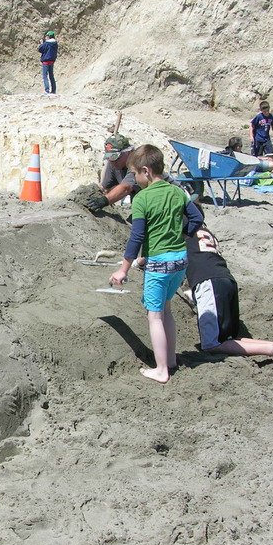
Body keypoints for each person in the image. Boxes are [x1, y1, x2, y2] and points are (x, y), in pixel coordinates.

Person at [109, 145, 189, 383]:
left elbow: (136, 237)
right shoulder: (177, 192)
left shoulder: (142, 197)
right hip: (181, 259)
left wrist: (123, 269)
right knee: (166, 310)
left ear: (145, 171)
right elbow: (196, 218)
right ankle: (171, 359)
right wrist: (182, 236)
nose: (134, 180)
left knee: (154, 316)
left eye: (135, 174)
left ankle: (161, 369)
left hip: (159, 264)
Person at [185, 219, 273, 363]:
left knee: (211, 344)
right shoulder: (203, 231)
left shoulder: (183, 232)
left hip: (209, 283)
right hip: (226, 280)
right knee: (226, 339)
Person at [38, 30, 58, 95]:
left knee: (45, 76)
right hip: (52, 61)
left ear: (49, 36)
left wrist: (41, 43)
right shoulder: (55, 43)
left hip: (46, 61)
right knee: (51, 76)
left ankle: (47, 90)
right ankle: (53, 90)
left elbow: (40, 49)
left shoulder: (46, 43)